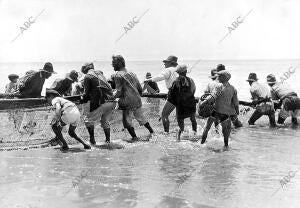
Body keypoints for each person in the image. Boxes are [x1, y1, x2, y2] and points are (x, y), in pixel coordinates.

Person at [112, 55, 154, 142]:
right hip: (137, 100)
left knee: (127, 121)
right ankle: (152, 132)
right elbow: (139, 88)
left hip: (127, 101)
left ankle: (134, 137)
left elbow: (119, 92)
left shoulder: (118, 75)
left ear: (118, 64)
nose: (112, 65)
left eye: (113, 63)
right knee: (141, 117)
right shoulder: (132, 73)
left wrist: (111, 97)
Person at [80, 62, 116, 145]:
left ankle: (92, 140)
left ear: (85, 69)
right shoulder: (99, 73)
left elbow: (86, 93)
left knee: (87, 120)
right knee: (104, 120)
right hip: (112, 101)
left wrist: (82, 99)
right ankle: (108, 141)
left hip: (103, 102)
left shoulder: (87, 76)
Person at [200, 71, 239, 147]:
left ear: (224, 78)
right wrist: (237, 112)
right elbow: (236, 102)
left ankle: (202, 142)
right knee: (226, 130)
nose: (218, 77)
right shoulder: (233, 88)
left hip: (216, 111)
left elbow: (213, 96)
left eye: (219, 76)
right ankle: (226, 145)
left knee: (207, 127)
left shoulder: (218, 86)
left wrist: (203, 103)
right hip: (225, 113)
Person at [144, 55, 179, 133]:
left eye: (166, 62)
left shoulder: (168, 70)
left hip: (174, 94)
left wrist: (148, 80)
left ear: (170, 63)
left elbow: (160, 77)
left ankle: (166, 132)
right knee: (179, 116)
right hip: (182, 94)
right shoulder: (178, 70)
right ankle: (183, 133)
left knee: (164, 115)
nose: (164, 64)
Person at [168, 65, 197, 140]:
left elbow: (172, 95)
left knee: (181, 124)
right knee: (193, 120)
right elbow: (193, 91)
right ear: (186, 71)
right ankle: (194, 135)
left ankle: (178, 139)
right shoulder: (191, 80)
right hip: (191, 104)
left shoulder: (175, 82)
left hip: (181, 106)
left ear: (177, 72)